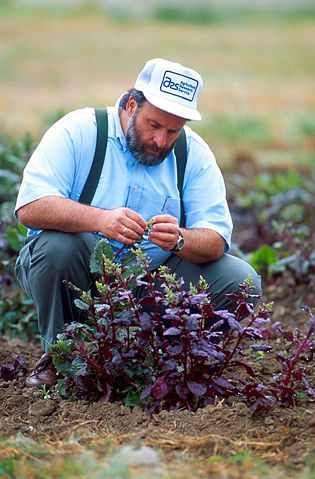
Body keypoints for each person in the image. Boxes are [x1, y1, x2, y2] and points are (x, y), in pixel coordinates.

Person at [14, 58, 261, 387]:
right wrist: (100, 219)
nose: (161, 141)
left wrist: (180, 240)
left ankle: (169, 366)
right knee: (57, 246)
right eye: (154, 125)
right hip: (78, 277)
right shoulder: (79, 131)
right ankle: (61, 361)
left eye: (173, 131)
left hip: (150, 285)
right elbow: (31, 206)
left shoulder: (194, 156)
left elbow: (216, 238)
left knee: (242, 280)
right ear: (131, 105)